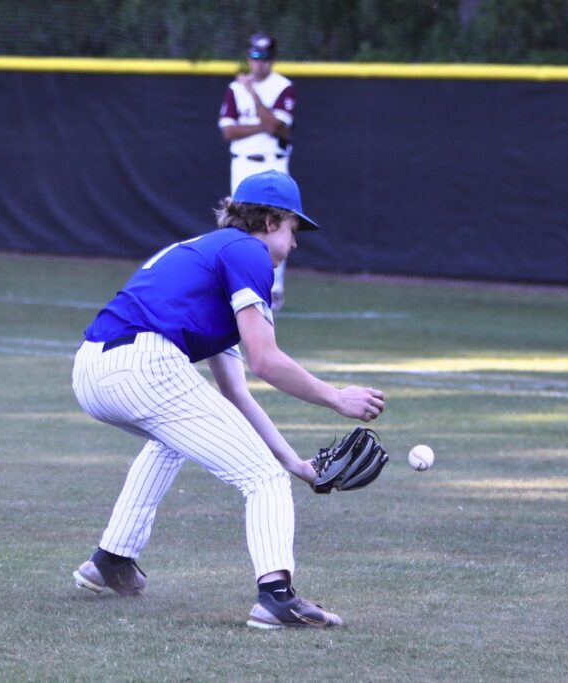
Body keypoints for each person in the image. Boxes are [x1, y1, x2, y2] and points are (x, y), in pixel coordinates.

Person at [70, 170, 385, 629]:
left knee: (171, 440)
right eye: (294, 229)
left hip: (92, 370)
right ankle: (277, 598)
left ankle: (112, 559)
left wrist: (296, 464)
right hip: (144, 364)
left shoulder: (213, 256)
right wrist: (337, 398)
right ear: (272, 220)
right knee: (261, 479)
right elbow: (266, 360)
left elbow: (236, 393)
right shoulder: (246, 252)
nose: (294, 244)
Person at [218, 31, 296, 310]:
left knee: (278, 221)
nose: (259, 63)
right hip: (243, 162)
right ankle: (239, 283)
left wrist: (254, 96)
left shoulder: (282, 86)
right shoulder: (234, 88)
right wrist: (264, 124)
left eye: (264, 57)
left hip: (273, 161)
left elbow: (276, 126)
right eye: (254, 56)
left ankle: (275, 287)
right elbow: (228, 131)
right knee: (240, 222)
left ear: (273, 59)